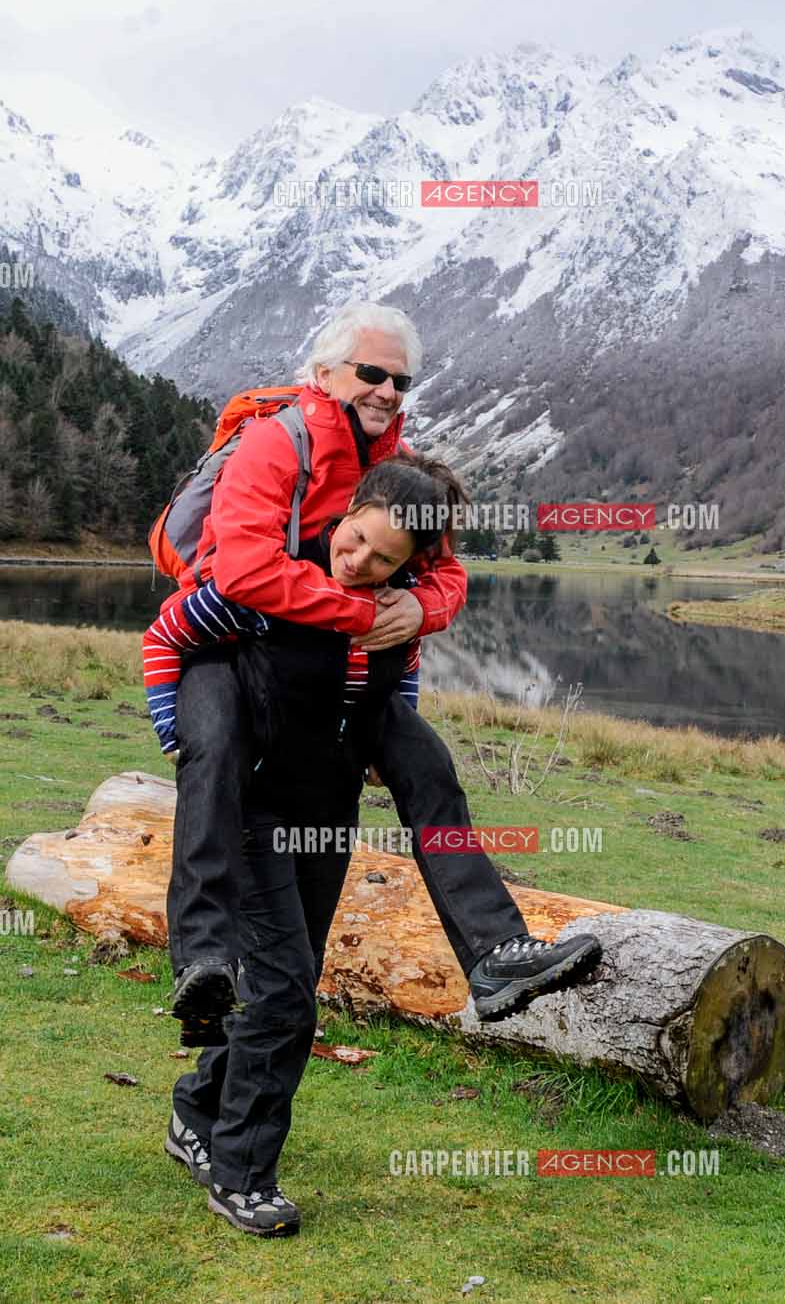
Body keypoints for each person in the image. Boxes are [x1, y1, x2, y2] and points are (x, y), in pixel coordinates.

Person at [152, 303, 600, 1055]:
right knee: (215, 757)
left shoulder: (400, 470)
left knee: (428, 767)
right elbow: (244, 571)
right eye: (372, 372)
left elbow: (449, 575)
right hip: (233, 650)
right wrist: (360, 613)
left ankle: (493, 955)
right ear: (324, 372)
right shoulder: (275, 445)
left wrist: (420, 608)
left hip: (331, 679)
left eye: (401, 379)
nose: (388, 390)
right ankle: (200, 956)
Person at [163, 457, 465, 1234]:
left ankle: (196, 1107)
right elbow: (171, 633)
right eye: (358, 539)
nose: (360, 562)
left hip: (328, 816)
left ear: (408, 566)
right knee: (288, 995)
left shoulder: (393, 609)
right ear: (351, 508)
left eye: (385, 559)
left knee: (282, 981)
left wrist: (376, 738)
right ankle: (241, 1173)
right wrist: (184, 739)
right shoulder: (274, 579)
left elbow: (398, 680)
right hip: (255, 813)